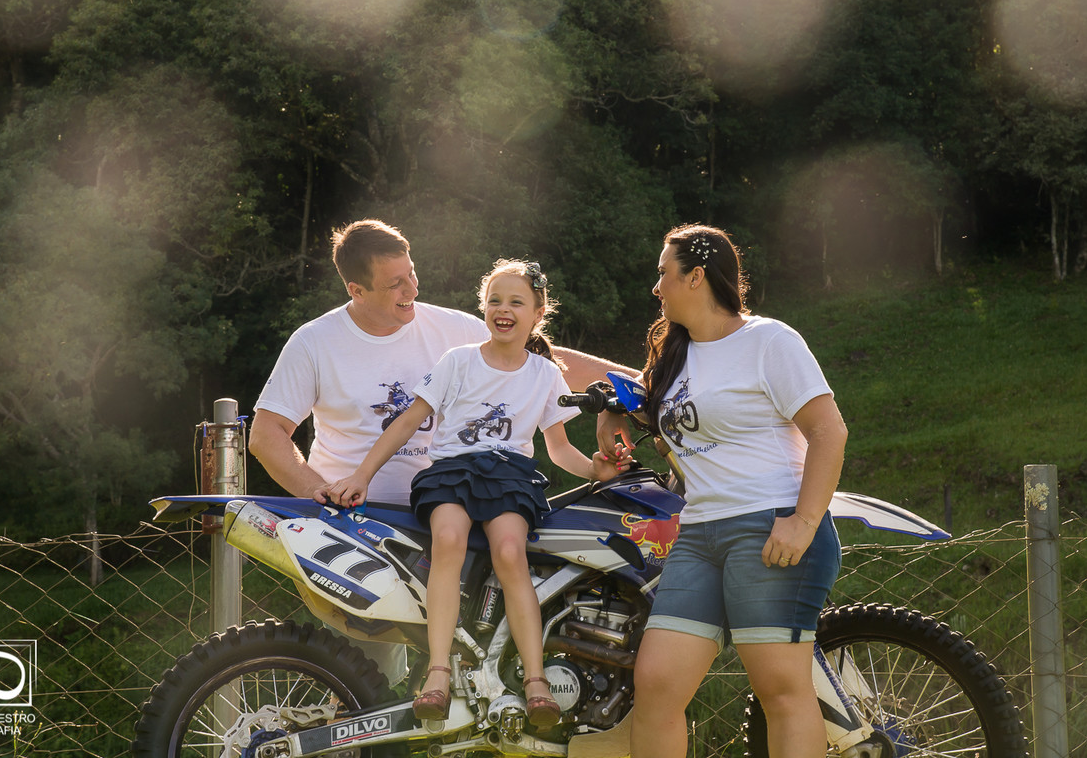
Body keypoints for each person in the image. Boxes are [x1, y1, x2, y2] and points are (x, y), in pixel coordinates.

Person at [249, 219, 633, 682]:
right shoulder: (314, 342)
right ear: (357, 289)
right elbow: (266, 434)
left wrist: (640, 383)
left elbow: (537, 357)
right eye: (395, 283)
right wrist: (323, 494)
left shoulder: (451, 329)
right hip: (359, 526)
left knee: (466, 663)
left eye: (411, 272)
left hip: (450, 512)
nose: (412, 287)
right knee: (369, 676)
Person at [326, 259, 627, 725]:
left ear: (538, 312)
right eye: (494, 301)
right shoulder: (458, 361)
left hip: (509, 476)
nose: (502, 310)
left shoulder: (544, 374)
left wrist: (597, 470)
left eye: (516, 302)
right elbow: (406, 420)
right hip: (452, 472)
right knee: (449, 540)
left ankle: (536, 683)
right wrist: (361, 475)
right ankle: (438, 673)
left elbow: (559, 449)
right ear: (484, 308)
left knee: (511, 551)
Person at [599, 224, 847, 758]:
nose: (656, 286)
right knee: (658, 684)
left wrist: (803, 522)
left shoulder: (769, 340)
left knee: (781, 691)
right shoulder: (677, 357)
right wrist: (612, 416)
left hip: (769, 527)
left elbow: (829, 432)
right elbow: (654, 412)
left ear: (696, 276)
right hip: (701, 534)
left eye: (664, 273)